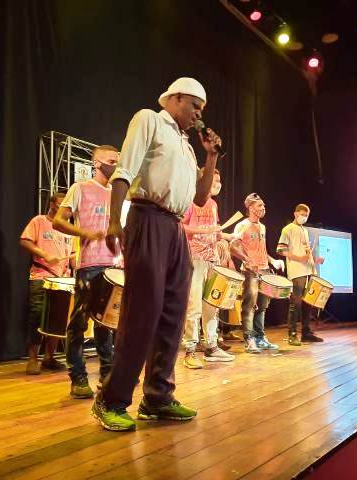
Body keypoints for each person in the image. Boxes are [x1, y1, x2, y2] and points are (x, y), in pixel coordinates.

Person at [92, 77, 222, 431]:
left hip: (175, 228)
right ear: (176, 97)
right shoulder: (149, 119)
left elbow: (199, 197)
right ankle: (112, 399)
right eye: (195, 106)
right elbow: (124, 170)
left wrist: (211, 156)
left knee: (173, 316)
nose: (198, 114)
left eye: (202, 110)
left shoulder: (187, 145)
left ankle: (158, 398)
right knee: (141, 314)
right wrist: (115, 222)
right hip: (147, 217)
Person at [52, 145, 120, 398]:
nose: (116, 165)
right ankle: (78, 377)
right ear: (98, 163)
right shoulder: (79, 188)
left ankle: (107, 373)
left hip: (113, 266)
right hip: (89, 264)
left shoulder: (118, 193)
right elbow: (58, 220)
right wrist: (85, 233)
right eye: (112, 160)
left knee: (106, 323)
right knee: (79, 322)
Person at [181, 168, 235, 369]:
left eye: (220, 180)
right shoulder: (190, 201)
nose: (218, 184)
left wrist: (228, 237)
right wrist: (202, 230)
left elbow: (216, 232)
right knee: (193, 306)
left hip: (212, 259)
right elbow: (180, 226)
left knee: (212, 304)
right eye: (214, 179)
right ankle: (190, 349)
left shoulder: (213, 204)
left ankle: (211, 346)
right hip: (194, 258)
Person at [19, 192, 73, 374]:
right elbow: (25, 241)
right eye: (59, 204)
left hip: (62, 280)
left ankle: (49, 357)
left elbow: (72, 255)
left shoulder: (68, 229)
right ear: (51, 204)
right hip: (41, 276)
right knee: (37, 316)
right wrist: (45, 255)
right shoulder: (39, 221)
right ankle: (33, 358)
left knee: (57, 320)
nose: (62, 209)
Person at [230, 193, 285, 353]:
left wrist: (273, 261)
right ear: (250, 207)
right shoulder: (242, 225)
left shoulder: (263, 227)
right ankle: (249, 339)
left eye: (264, 206)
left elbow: (262, 250)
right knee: (249, 305)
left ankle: (260, 337)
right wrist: (246, 259)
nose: (263, 208)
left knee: (262, 306)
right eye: (260, 206)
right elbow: (233, 248)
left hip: (265, 270)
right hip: (250, 272)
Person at [276, 204, 324, 345]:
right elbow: (280, 250)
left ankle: (306, 332)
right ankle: (292, 334)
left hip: (308, 270)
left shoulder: (304, 230)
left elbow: (305, 252)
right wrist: (299, 258)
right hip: (297, 271)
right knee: (295, 303)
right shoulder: (288, 229)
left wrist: (315, 260)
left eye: (306, 215)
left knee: (307, 303)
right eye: (302, 214)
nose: (304, 217)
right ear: (295, 213)